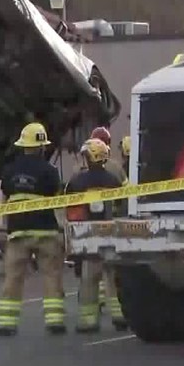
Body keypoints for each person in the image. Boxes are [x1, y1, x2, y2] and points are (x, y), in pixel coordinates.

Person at [0, 122, 65, 336]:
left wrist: (5, 226)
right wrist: (64, 231)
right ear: (43, 146)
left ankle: (6, 324)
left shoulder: (9, 171)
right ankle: (55, 322)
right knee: (52, 275)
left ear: (22, 145)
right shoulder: (50, 172)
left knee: (13, 277)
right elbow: (59, 202)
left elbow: (5, 200)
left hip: (18, 233)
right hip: (46, 232)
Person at [66, 138, 127, 333]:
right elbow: (122, 206)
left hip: (89, 236)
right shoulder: (114, 180)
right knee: (113, 278)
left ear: (90, 157)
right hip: (112, 234)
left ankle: (88, 321)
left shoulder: (77, 181)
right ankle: (120, 316)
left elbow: (70, 210)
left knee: (89, 279)